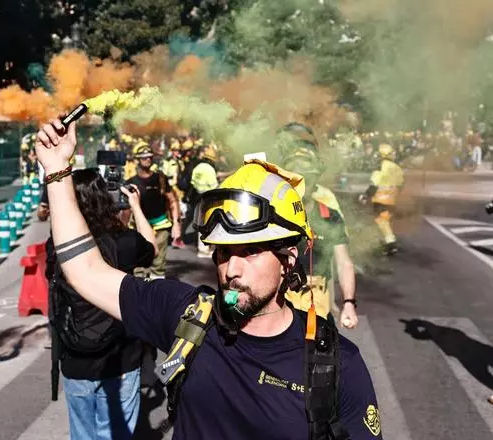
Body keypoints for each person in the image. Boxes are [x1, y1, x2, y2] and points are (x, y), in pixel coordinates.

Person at [35, 120, 382, 440]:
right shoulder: (187, 316)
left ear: (288, 258)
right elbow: (87, 272)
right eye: (223, 252)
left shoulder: (337, 366)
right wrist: (56, 171)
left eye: (250, 251)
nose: (231, 270)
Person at [47, 169, 156, 440]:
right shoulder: (125, 242)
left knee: (83, 435)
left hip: (75, 358)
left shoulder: (56, 245)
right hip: (121, 358)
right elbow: (151, 248)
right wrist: (135, 207)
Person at [278, 123, 359, 329]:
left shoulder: (328, 214)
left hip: (318, 297)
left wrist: (348, 303)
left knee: (318, 355)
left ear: (315, 178)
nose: (302, 183)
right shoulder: (274, 211)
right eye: (296, 177)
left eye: (307, 176)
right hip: (279, 295)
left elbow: (343, 262)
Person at [126, 143, 182, 279]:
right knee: (138, 266)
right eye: (144, 157)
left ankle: (157, 293)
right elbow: (127, 210)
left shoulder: (160, 179)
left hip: (161, 226)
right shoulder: (130, 182)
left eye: (150, 157)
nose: (148, 159)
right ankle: (139, 293)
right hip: (138, 228)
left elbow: (173, 201)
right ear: (137, 160)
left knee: (158, 266)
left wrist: (176, 224)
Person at [358, 143, 404, 256]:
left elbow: (374, 184)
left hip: (380, 199)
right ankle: (388, 241)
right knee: (385, 220)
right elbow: (401, 184)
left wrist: (365, 195)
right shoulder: (397, 167)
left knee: (381, 221)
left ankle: (390, 244)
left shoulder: (380, 167)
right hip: (393, 199)